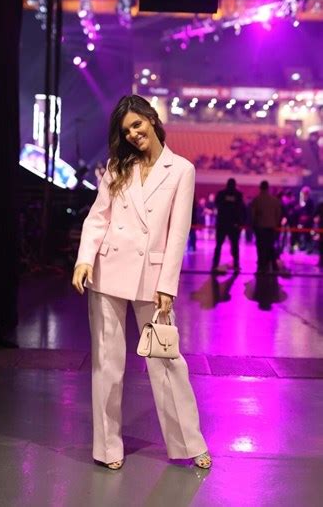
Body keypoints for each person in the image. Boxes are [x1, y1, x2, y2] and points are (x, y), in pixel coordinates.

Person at [72, 95, 211, 471]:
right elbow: (97, 219)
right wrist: (84, 260)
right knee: (106, 364)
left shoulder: (182, 170)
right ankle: (107, 448)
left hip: (153, 280)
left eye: (137, 124)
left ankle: (189, 443)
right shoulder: (118, 168)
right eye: (126, 130)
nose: (133, 134)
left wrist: (168, 285)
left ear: (151, 119)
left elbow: (178, 232)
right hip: (106, 273)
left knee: (167, 362)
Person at [211, 178, 246, 273]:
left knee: (218, 245)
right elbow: (241, 209)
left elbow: (216, 205)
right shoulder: (238, 195)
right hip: (233, 224)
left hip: (222, 223)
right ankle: (236, 264)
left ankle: (215, 264)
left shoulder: (221, 194)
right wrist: (240, 223)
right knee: (235, 245)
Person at [251, 180, 282, 273]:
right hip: (271, 226)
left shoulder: (256, 200)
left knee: (260, 246)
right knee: (270, 246)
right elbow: (278, 214)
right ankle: (273, 264)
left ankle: (262, 264)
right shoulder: (275, 200)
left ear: (260, 188)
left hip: (260, 226)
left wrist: (254, 224)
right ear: (268, 188)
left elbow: (253, 215)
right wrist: (275, 223)